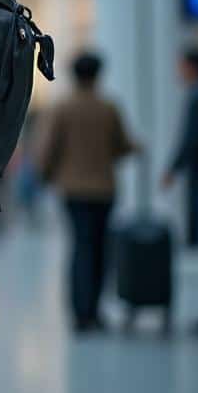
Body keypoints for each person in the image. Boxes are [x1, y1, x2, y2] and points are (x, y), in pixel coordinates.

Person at [37, 51, 136, 333]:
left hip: (73, 190)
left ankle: (80, 313)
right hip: (104, 189)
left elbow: (48, 149)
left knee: (81, 247)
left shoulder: (63, 108)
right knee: (100, 249)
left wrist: (45, 176)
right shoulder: (108, 108)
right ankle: (94, 310)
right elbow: (122, 146)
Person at [163, 46, 198, 332]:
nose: (178, 72)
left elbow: (192, 139)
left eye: (181, 66)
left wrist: (173, 169)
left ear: (193, 67)